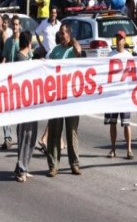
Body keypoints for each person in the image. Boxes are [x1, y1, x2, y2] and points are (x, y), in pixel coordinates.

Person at [47, 24, 82, 177]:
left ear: (68, 34)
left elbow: (79, 51)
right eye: (60, 34)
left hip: (71, 98)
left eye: (63, 33)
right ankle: (53, 165)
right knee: (54, 132)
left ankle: (74, 163)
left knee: (72, 131)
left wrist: (72, 40)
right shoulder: (55, 51)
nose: (61, 36)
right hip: (56, 97)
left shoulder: (72, 51)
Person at [105, 30, 134, 159]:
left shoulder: (129, 56)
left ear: (125, 40)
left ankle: (129, 150)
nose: (118, 41)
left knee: (126, 123)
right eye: (117, 38)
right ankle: (113, 149)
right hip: (112, 95)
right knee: (112, 123)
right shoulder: (110, 55)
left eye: (121, 39)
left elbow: (134, 75)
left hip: (124, 95)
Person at [14, 31, 37, 183]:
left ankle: (25, 167)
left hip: (32, 103)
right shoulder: (19, 58)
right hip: (23, 104)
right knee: (24, 136)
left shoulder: (28, 58)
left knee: (32, 135)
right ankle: (20, 169)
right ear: (28, 43)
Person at [0, 15, 23, 149]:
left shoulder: (23, 41)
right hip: (9, 81)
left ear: (19, 26)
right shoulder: (8, 42)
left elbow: (28, 56)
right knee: (6, 110)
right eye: (13, 24)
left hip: (20, 82)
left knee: (20, 111)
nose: (14, 27)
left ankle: (21, 138)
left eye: (16, 24)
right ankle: (7, 138)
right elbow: (5, 58)